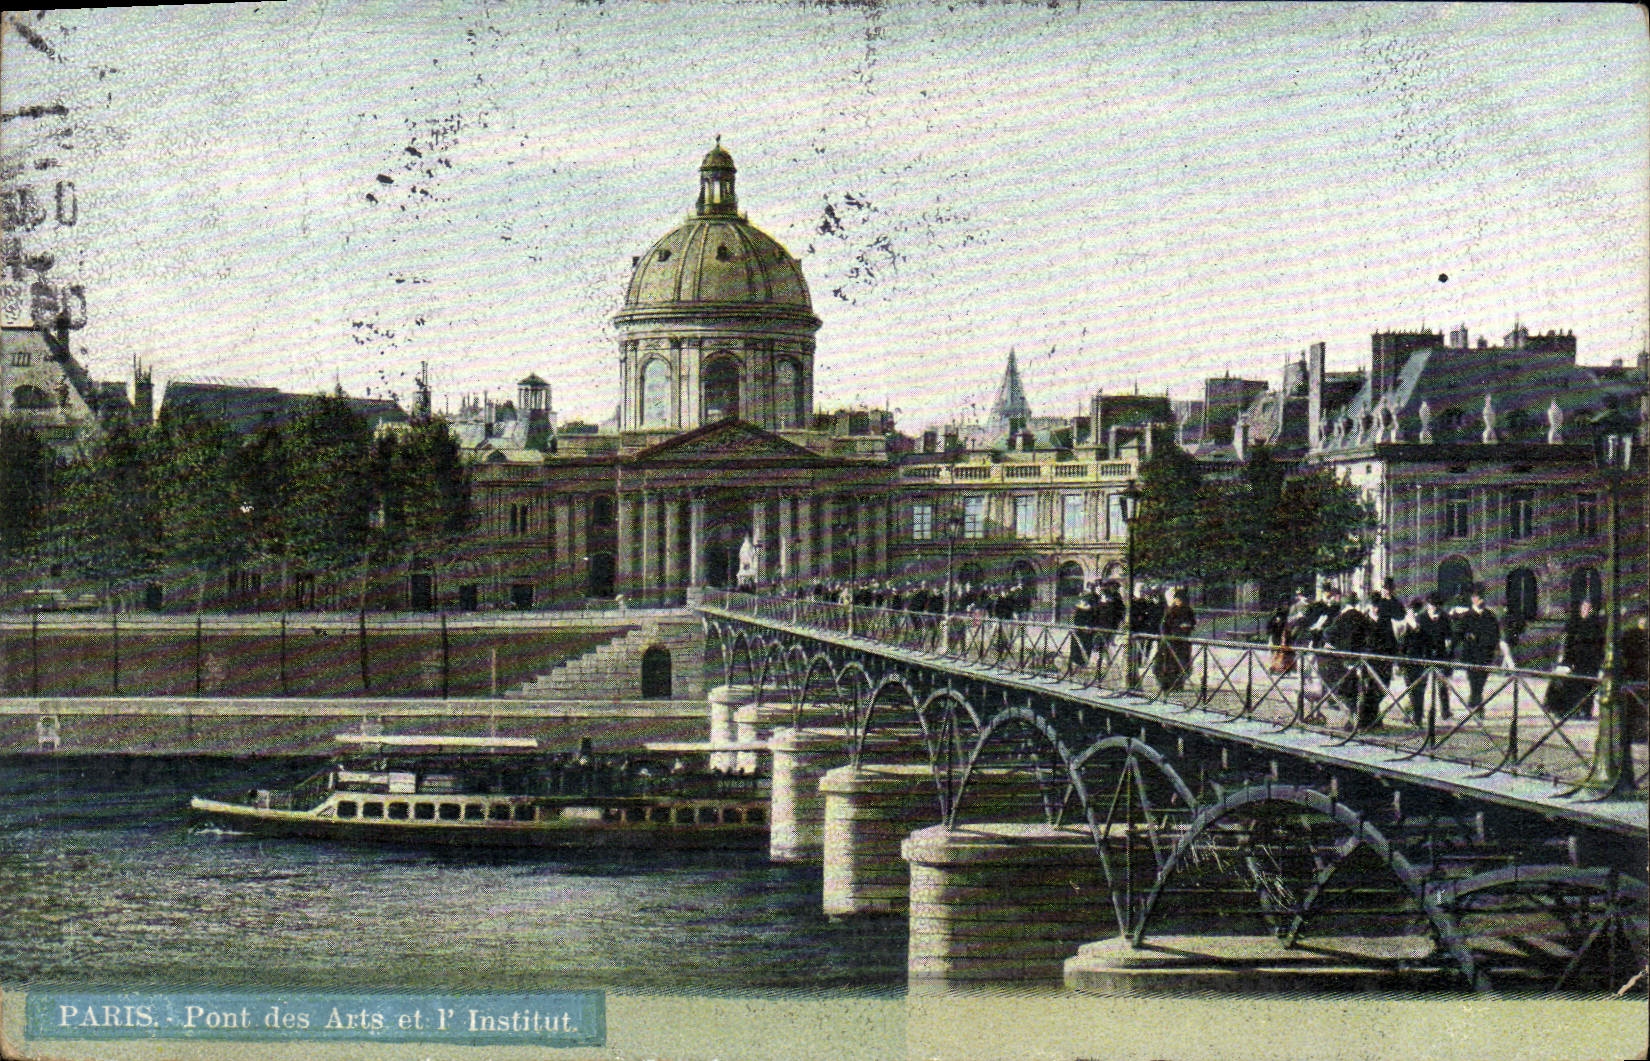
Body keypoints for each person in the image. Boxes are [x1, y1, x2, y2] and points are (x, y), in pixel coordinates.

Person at [1547, 598, 1606, 719]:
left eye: (1588, 608)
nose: (1585, 611)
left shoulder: (1596, 625)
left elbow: (1599, 645)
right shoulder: (1574, 623)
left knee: (1586, 687)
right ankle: (1566, 709)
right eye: (1584, 608)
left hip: (1589, 662)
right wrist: (1564, 660)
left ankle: (1584, 711)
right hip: (1574, 660)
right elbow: (1567, 643)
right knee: (1569, 685)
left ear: (1592, 610)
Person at [1454, 585, 1503, 714]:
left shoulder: (1490, 616)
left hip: (1486, 654)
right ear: (1472, 599)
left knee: (1481, 680)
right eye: (1476, 597)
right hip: (1471, 653)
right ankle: (1478, 703)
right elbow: (1458, 633)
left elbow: (1496, 634)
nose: (1478, 600)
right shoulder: (1467, 616)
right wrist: (1465, 637)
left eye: (1480, 597)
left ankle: (1475, 699)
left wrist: (1495, 648)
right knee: (1473, 678)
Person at [1155, 587, 1196, 692]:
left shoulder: (1188, 611)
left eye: (1180, 599)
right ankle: (1167, 685)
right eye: (1177, 599)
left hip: (1183, 643)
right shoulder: (1171, 611)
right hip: (1171, 643)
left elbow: (1192, 623)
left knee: (1181, 664)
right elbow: (1164, 625)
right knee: (1168, 664)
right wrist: (1166, 636)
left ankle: (1179, 684)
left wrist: (1187, 626)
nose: (1178, 601)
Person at [1266, 603, 1295, 674]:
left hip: (1282, 636)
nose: (1286, 606)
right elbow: (1269, 628)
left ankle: (1283, 668)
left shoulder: (1286, 615)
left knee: (1282, 653)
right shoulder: (1276, 616)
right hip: (1276, 637)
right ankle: (1272, 667)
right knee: (1275, 652)